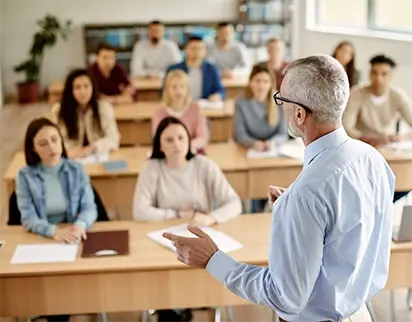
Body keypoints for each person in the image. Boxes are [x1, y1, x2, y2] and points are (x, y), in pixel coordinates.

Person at [164, 55, 395, 322]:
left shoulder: (308, 194)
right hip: (360, 313)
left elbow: (286, 297)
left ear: (299, 114)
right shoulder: (372, 158)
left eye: (281, 99)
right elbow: (348, 230)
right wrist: (299, 215)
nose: (279, 105)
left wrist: (213, 259)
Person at [134, 116, 241, 322]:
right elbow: (140, 211)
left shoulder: (204, 165)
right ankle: (173, 309)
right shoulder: (151, 168)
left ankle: (186, 306)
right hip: (163, 240)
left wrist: (210, 218)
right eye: (169, 140)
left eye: (181, 138)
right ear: (159, 145)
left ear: (189, 141)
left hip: (199, 237)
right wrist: (176, 215)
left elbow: (234, 202)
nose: (177, 144)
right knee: (168, 282)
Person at [16, 118, 98, 322]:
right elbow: (28, 218)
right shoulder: (25, 176)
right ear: (33, 149)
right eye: (43, 143)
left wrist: (79, 225)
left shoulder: (77, 170)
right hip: (43, 240)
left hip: (74, 240)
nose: (51, 147)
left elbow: (90, 207)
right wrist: (53, 231)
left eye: (54, 140)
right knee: (55, 298)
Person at [342, 54, 412, 202]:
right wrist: (366, 138)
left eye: (384, 74)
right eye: (374, 73)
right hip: (362, 149)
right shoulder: (357, 94)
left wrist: (403, 136)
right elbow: (346, 126)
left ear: (391, 76)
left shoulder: (397, 96)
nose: (378, 78)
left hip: (389, 152)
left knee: (401, 183)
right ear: (369, 74)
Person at [234, 63, 286, 212]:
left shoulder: (279, 101)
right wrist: (253, 143)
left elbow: (283, 133)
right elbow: (240, 133)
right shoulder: (241, 102)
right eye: (257, 81)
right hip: (248, 152)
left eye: (265, 81)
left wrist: (272, 143)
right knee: (252, 187)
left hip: (272, 152)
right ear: (250, 82)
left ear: (270, 83)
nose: (261, 86)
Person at [50, 69, 120, 159]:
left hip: (98, 156)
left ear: (93, 88)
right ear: (70, 90)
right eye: (77, 87)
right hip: (71, 157)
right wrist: (72, 151)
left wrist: (93, 147)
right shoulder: (58, 110)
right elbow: (56, 139)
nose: (82, 92)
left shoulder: (104, 108)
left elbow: (113, 138)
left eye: (86, 86)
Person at [152, 69, 209, 154]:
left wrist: (185, 146)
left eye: (182, 86)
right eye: (174, 87)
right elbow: (157, 139)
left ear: (187, 89)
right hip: (168, 154)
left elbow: (203, 138)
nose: (178, 91)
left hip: (193, 153)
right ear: (167, 90)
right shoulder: (160, 112)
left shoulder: (196, 109)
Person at [165, 35, 225, 102]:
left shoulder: (212, 69)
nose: (197, 52)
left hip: (204, 107)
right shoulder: (173, 69)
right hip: (179, 106)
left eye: (200, 49)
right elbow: (164, 91)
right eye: (193, 48)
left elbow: (220, 90)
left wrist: (218, 96)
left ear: (205, 51)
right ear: (186, 49)